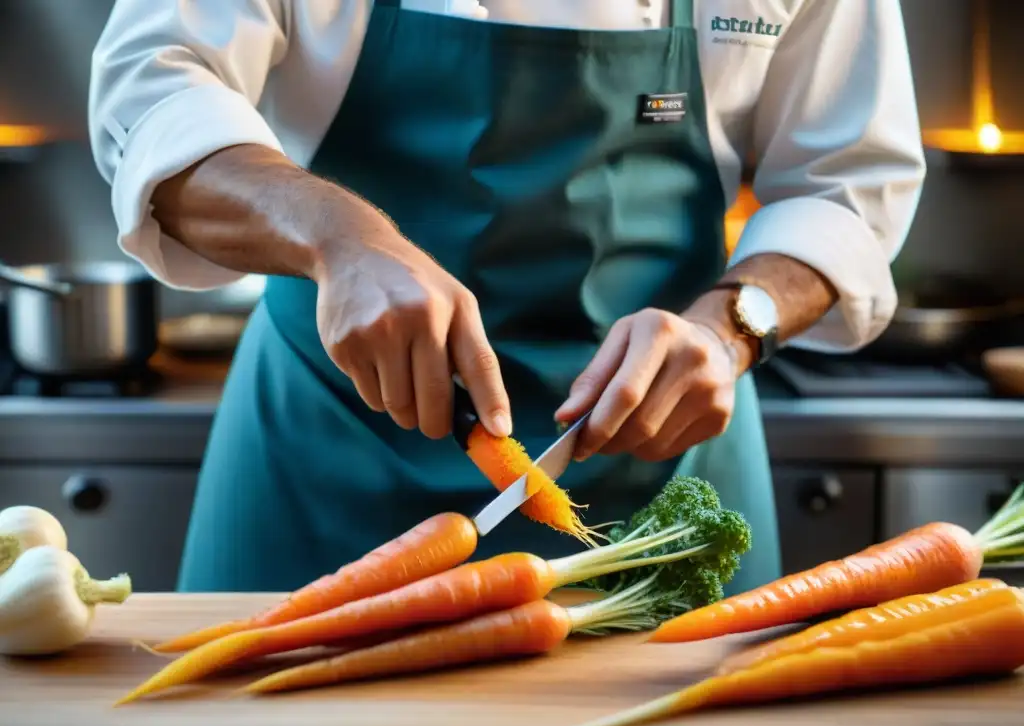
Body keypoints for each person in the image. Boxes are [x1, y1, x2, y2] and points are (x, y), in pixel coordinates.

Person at [88, 0, 925, 594]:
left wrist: (733, 326)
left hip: (665, 486)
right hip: (321, 462)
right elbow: (151, 92)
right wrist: (338, 236)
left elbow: (847, 184)